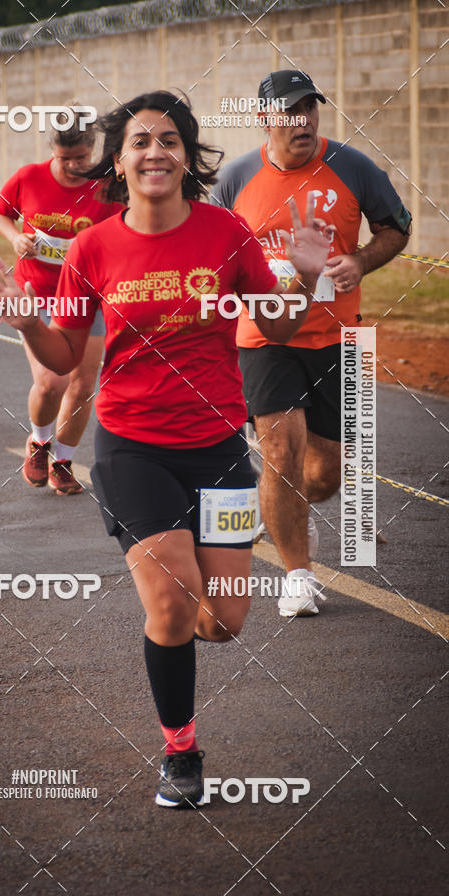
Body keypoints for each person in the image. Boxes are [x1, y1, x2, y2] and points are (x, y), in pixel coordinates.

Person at [0, 91, 332, 808]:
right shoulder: (92, 246)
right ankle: (179, 752)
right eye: (140, 141)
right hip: (132, 448)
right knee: (171, 607)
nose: (155, 152)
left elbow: (282, 327)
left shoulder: (226, 233)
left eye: (169, 140)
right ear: (120, 159)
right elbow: (68, 347)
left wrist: (307, 272)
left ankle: (185, 642)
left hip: (219, 449)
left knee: (224, 620)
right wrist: (23, 322)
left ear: (186, 155)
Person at [212, 69, 411, 617]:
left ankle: (273, 508)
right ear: (265, 118)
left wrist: (361, 260)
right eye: (289, 112)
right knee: (279, 452)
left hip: (336, 337)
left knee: (321, 476)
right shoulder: (236, 179)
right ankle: (298, 576)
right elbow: (214, 251)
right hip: (264, 336)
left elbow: (396, 227)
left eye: (310, 110)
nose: (302, 122)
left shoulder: (353, 166)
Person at [0, 108, 121, 494]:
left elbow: (121, 232)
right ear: (53, 150)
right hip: (36, 294)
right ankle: (40, 442)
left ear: (94, 149)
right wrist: (15, 238)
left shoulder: (107, 186)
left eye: (82, 158)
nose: (74, 166)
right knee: (52, 382)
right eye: (65, 159)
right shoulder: (29, 177)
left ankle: (62, 461)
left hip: (85, 297)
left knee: (82, 385)